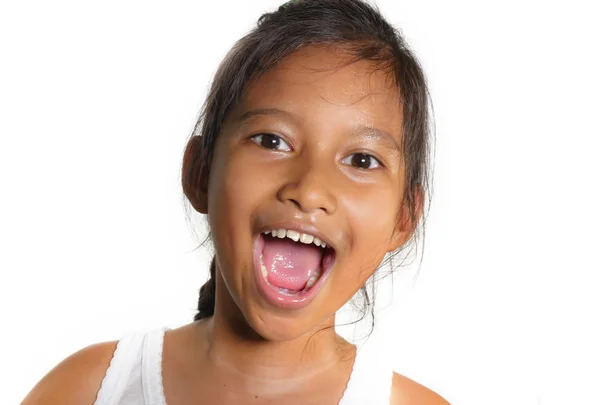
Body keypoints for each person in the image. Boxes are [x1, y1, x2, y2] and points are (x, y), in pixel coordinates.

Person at [22, 0, 450, 403]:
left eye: (361, 159)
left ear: (403, 218)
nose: (310, 190)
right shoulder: (88, 389)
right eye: (272, 140)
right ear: (201, 172)